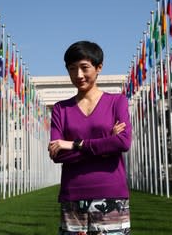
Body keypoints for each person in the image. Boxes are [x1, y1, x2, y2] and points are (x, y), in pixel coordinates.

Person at [48, 41, 132, 235]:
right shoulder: (61, 109)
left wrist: (73, 144)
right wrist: (106, 145)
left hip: (111, 194)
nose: (78, 75)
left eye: (84, 68)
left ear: (99, 67)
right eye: (72, 69)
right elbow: (57, 154)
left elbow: (123, 142)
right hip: (73, 195)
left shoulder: (117, 102)